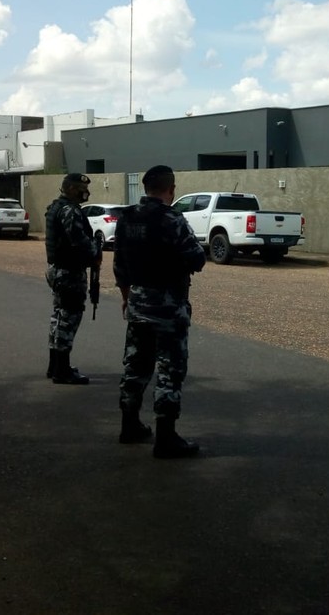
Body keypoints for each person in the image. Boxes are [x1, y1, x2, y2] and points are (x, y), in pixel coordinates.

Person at [113, 165, 206, 458]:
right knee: (169, 369)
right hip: (167, 306)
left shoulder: (126, 218)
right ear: (171, 188)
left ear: (145, 188)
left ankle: (129, 426)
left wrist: (127, 297)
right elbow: (196, 258)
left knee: (136, 365)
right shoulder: (172, 219)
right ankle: (166, 438)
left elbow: (120, 264)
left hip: (138, 302)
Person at [45, 173, 102, 385]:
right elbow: (80, 243)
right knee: (68, 318)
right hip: (68, 271)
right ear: (69, 189)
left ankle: (55, 366)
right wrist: (96, 247)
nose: (84, 192)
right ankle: (62, 370)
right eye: (79, 188)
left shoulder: (57, 207)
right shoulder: (69, 210)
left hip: (59, 269)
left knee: (59, 317)